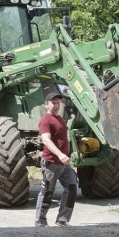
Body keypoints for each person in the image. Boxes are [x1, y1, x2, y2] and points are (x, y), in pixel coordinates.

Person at [34, 88, 78, 227]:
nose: (57, 105)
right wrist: (59, 154)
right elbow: (46, 140)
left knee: (71, 188)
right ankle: (40, 221)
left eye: (58, 102)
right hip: (51, 163)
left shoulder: (59, 118)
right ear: (46, 104)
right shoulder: (45, 120)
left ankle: (62, 220)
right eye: (53, 103)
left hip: (64, 164)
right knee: (47, 192)